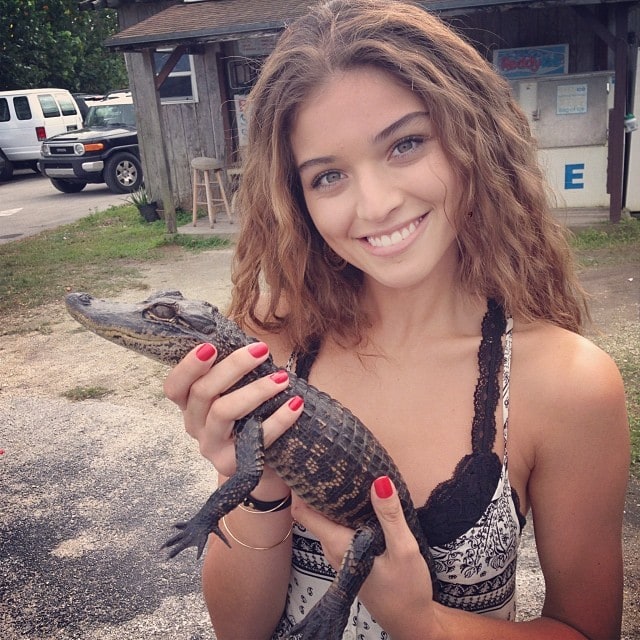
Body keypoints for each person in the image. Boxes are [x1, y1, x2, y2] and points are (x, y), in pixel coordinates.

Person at [163, 0, 630, 637]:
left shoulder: (566, 385)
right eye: (328, 176)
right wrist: (260, 490)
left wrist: (421, 622)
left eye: (406, 144)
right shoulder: (275, 346)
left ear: (474, 138)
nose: (376, 204)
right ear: (296, 199)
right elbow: (238, 630)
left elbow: (587, 630)